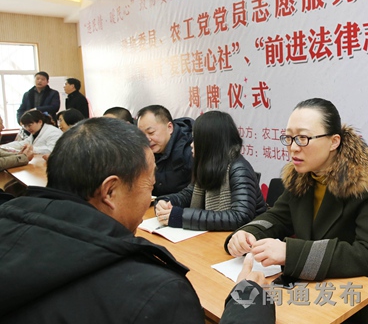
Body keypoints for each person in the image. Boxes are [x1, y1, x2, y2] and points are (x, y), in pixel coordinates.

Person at [0, 117, 275, 323]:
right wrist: (249, 303)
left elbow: (239, 215)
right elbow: (188, 193)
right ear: (110, 191)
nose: (151, 192)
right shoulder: (158, 295)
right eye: (149, 182)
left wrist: (178, 214)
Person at [226, 98, 368, 324]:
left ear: (334, 141)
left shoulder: (365, 181)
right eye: (289, 138)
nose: (293, 147)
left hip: (364, 295)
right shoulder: (302, 176)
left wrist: (290, 253)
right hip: (315, 283)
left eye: (303, 138)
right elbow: (277, 216)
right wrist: (248, 233)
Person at [155, 111, 267, 231]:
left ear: (210, 142)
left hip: (248, 236)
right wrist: (165, 202)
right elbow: (188, 194)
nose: (191, 145)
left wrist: (181, 217)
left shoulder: (239, 169)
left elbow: (240, 217)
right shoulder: (209, 165)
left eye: (196, 140)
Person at [137, 105, 194, 197]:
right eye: (142, 135)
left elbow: (195, 194)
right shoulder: (145, 152)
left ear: (170, 127)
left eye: (151, 132)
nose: (147, 140)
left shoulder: (190, 151)